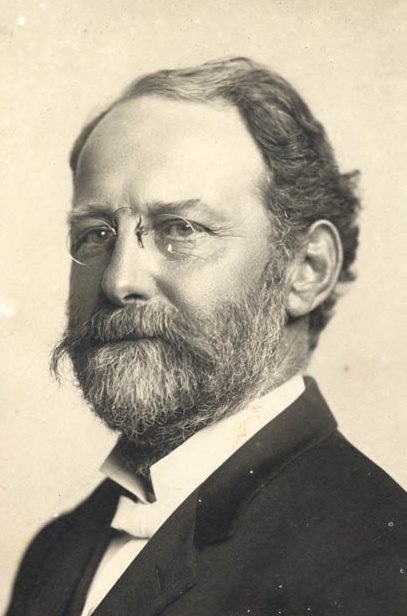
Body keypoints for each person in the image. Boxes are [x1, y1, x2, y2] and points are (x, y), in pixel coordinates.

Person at [7, 57, 407, 616]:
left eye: (181, 230)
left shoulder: (374, 560)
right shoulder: (60, 549)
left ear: (307, 269)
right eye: (96, 234)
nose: (120, 280)